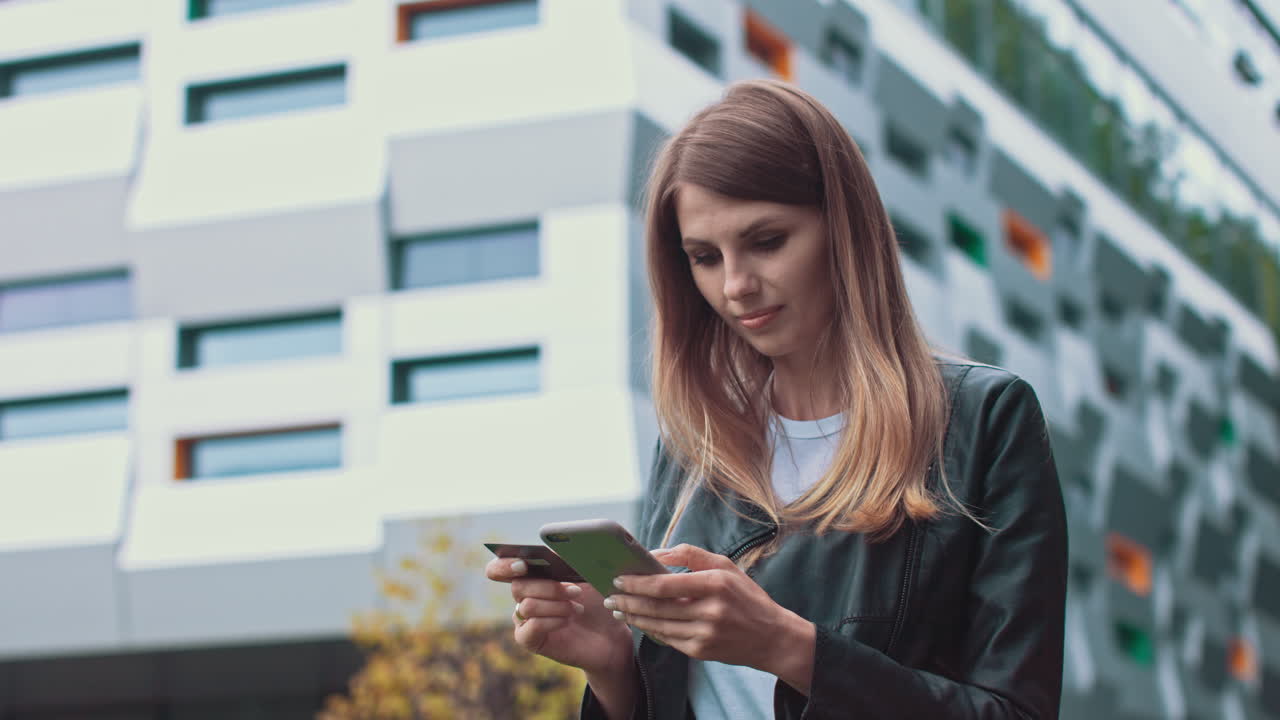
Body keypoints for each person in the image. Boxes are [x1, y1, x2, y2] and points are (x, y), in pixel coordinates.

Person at [485, 78, 1068, 719]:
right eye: (705, 257)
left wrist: (788, 647)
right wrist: (615, 670)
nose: (736, 285)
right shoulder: (693, 454)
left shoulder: (982, 421)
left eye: (767, 242)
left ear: (843, 229)